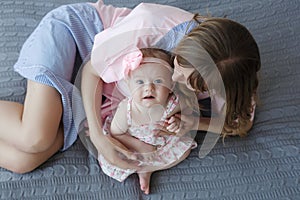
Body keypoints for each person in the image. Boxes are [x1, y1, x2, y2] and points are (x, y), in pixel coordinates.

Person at [0, 0, 260, 174]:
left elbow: (239, 122)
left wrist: (195, 123)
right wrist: (100, 139)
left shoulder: (227, 76)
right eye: (179, 65)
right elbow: (91, 69)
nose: (177, 78)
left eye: (190, 83)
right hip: (77, 38)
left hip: (107, 85)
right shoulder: (152, 24)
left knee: (25, 161)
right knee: (35, 138)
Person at [96, 48, 197, 194]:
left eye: (158, 81)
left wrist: (177, 122)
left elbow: (188, 115)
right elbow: (116, 134)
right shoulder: (127, 109)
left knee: (184, 150)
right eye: (140, 82)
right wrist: (141, 147)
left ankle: (148, 169)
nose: (149, 87)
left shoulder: (173, 103)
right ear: (129, 85)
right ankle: (142, 169)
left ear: (171, 86)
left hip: (160, 141)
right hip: (130, 142)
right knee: (115, 157)